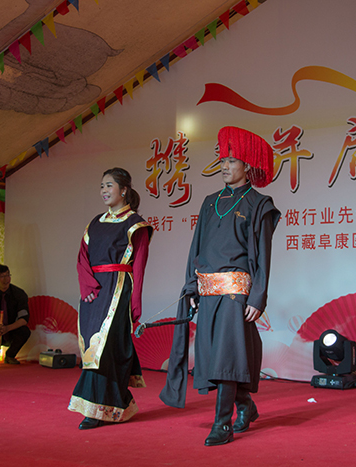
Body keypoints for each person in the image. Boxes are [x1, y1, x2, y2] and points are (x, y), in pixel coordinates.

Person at [160, 126, 281, 446]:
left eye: (232, 161)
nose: (225, 166)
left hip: (236, 293)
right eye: (223, 160)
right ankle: (246, 406)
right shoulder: (210, 202)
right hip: (208, 291)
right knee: (214, 357)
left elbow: (263, 256)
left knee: (227, 356)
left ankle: (222, 423)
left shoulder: (259, 204)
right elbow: (196, 249)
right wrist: (191, 286)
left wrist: (258, 296)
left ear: (247, 166)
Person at [68, 168, 153, 430]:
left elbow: (139, 268)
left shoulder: (136, 224)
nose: (104, 191)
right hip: (93, 292)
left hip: (118, 289)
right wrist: (88, 285)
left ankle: (96, 408)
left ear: (124, 190)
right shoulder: (95, 222)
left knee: (105, 349)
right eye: (102, 186)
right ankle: (117, 403)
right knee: (92, 347)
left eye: (109, 186)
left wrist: (135, 303)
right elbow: (82, 257)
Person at [0, 265, 31, 365]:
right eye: (2, 276)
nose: (6, 279)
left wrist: (7, 328)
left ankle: (10, 355)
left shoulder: (18, 293)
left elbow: (24, 319)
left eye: (8, 275)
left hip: (11, 330)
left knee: (24, 331)